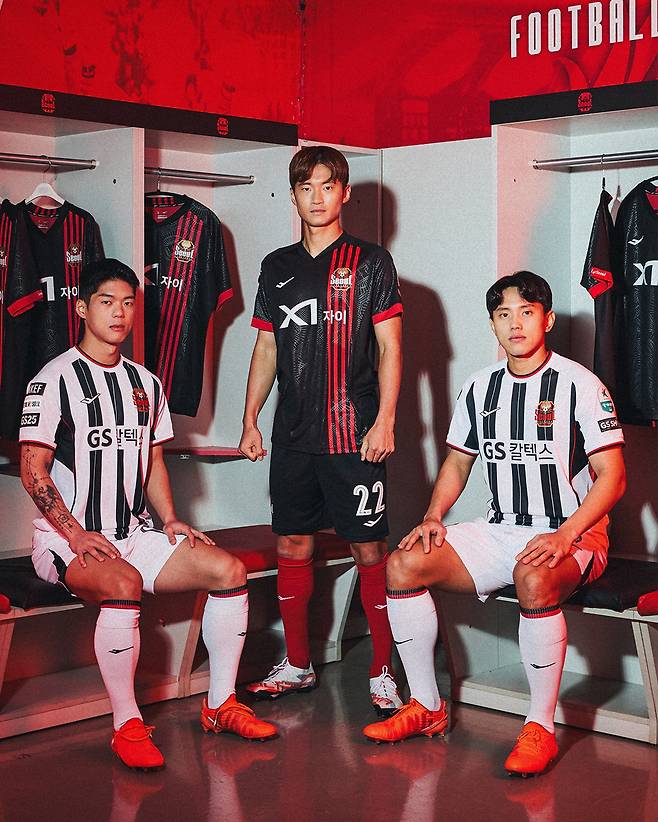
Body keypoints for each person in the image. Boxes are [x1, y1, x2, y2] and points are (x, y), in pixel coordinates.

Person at [363, 271, 626, 776]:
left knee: (533, 575)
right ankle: (426, 706)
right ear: (492, 324)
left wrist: (565, 534)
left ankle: (540, 727)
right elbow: (458, 463)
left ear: (547, 320)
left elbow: (613, 478)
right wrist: (433, 517)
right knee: (402, 565)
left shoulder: (580, 384)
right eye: (504, 314)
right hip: (500, 529)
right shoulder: (479, 387)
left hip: (573, 534)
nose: (515, 323)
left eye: (527, 312)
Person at [19, 259, 277, 771]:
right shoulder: (53, 380)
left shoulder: (145, 383)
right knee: (123, 582)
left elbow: (154, 459)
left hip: (134, 534)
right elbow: (33, 469)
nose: (119, 313)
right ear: (82, 308)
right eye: (106, 302)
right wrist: (75, 534)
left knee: (228, 570)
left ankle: (220, 704)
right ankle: (127, 725)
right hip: (64, 541)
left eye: (127, 303)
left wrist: (171, 518)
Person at [239, 146, 404, 715]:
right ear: (293, 195)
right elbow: (266, 347)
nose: (316, 197)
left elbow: (390, 348)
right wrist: (250, 418)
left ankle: (383, 670)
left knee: (369, 547)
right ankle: (298, 664)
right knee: (292, 543)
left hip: (354, 434)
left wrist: (385, 419)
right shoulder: (275, 266)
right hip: (293, 435)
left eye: (327, 186)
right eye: (305, 187)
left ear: (345, 193)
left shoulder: (372, 262)